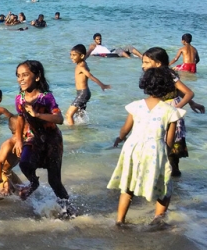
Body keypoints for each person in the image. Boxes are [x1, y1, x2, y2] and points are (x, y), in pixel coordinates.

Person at [109, 67, 184, 226]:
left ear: (145, 84)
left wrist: (119, 138)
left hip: (133, 148)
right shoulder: (170, 110)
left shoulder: (135, 106)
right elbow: (170, 139)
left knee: (128, 187)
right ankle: (157, 219)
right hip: (155, 149)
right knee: (164, 188)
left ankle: (120, 220)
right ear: (168, 86)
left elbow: (126, 128)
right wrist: (166, 154)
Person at [12, 60, 74, 217]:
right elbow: (20, 119)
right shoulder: (19, 98)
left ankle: (68, 212)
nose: (21, 79)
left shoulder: (46, 97)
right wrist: (19, 140)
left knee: (54, 181)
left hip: (52, 140)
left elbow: (59, 119)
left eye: (25, 75)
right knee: (24, 163)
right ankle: (34, 182)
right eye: (19, 76)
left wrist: (38, 114)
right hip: (33, 138)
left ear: (37, 77)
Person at [141, 47, 204, 177]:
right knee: (157, 145)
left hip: (169, 112)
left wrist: (177, 108)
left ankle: (173, 180)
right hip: (158, 112)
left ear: (158, 63)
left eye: (146, 62)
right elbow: (179, 91)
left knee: (172, 151)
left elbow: (188, 92)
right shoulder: (152, 76)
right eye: (143, 62)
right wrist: (192, 103)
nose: (143, 66)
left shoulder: (169, 75)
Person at [65, 44, 111, 125]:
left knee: (69, 115)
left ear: (81, 56)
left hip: (83, 93)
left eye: (74, 55)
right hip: (83, 93)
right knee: (80, 116)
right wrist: (90, 49)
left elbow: (90, 76)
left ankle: (72, 133)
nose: (71, 57)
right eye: (71, 55)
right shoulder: (81, 61)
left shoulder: (81, 66)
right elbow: (87, 55)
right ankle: (83, 131)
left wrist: (102, 85)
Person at [0, 115, 25, 196]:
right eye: (27, 126)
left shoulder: (23, 143)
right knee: (7, 188)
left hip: (8, 172)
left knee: (23, 191)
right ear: (20, 128)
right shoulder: (9, 144)